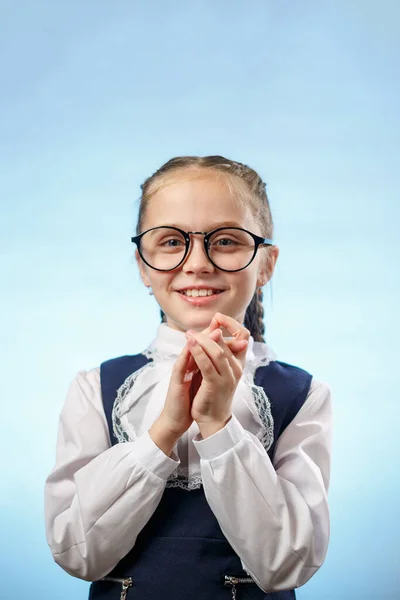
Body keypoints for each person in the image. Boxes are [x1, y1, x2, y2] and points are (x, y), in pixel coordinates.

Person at [45, 155, 332, 600]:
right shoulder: (95, 389)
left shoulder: (301, 395)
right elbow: (77, 553)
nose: (197, 263)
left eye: (226, 241)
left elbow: (286, 565)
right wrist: (164, 431)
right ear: (143, 265)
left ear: (267, 264)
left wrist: (219, 426)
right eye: (172, 241)